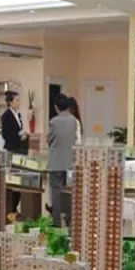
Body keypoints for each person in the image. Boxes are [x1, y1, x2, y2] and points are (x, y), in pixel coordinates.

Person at [46, 94, 76, 227]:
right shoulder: (74, 121)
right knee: (68, 192)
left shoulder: (54, 122)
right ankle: (69, 220)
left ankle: (57, 223)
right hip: (70, 162)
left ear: (56, 107)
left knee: (56, 194)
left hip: (56, 162)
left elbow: (49, 139)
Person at [0, 91, 28, 155]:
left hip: (21, 147)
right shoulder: (6, 116)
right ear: (11, 103)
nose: (19, 102)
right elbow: (5, 135)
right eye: (17, 100)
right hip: (12, 148)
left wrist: (23, 133)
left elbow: (19, 129)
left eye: (19, 100)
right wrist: (19, 137)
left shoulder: (18, 114)